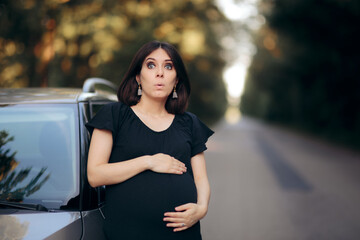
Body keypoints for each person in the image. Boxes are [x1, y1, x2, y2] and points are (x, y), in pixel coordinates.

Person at [86, 40, 214, 240]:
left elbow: (200, 178)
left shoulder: (189, 123)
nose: (160, 73)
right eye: (151, 65)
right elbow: (95, 175)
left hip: (182, 233)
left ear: (177, 79)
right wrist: (149, 161)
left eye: (168, 66)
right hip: (128, 233)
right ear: (138, 77)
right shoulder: (115, 115)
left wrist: (202, 209)